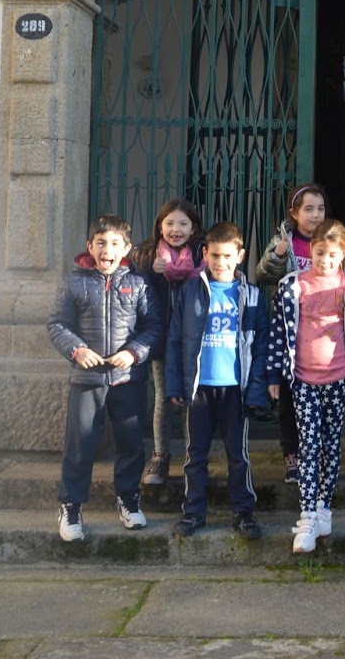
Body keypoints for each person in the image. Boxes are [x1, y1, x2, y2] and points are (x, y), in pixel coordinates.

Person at [47, 214, 160, 542]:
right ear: (90, 246)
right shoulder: (73, 283)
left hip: (128, 379)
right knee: (80, 444)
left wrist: (135, 352)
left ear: (126, 248)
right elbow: (57, 324)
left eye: (114, 243)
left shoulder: (139, 283)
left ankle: (129, 499)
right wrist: (77, 350)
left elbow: (154, 326)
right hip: (87, 381)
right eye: (100, 243)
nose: (106, 249)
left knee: (130, 443)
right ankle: (71, 506)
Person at [267, 219, 345, 554]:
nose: (325, 260)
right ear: (310, 251)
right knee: (309, 445)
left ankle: (324, 507)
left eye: (332, 254)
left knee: (331, 444)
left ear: (344, 253)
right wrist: (274, 376)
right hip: (302, 378)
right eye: (319, 253)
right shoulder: (292, 286)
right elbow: (277, 333)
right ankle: (307, 516)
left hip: (339, 378)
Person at [166, 221, 269, 540]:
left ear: (240, 256)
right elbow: (175, 341)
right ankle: (194, 512)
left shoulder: (252, 296)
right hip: (199, 389)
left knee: (238, 456)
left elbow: (261, 346)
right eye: (214, 255)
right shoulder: (190, 292)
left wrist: (256, 390)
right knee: (195, 455)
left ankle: (243, 512)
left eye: (227, 256)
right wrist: (175, 385)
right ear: (205, 254)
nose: (220, 262)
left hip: (234, 390)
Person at [254, 183, 328, 485]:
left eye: (320, 209)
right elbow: (262, 275)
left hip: (324, 332)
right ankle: (292, 454)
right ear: (294, 213)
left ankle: (317, 454)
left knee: (320, 398)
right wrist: (277, 256)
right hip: (290, 331)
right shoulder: (284, 240)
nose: (315, 215)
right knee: (289, 397)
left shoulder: (330, 238)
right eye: (308, 209)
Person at [130, 199, 205, 487]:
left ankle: (192, 458)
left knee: (191, 397)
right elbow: (137, 294)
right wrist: (152, 272)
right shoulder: (146, 255)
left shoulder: (201, 254)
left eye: (183, 223)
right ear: (160, 227)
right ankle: (160, 456)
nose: (176, 229)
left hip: (193, 340)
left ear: (193, 228)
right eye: (170, 223)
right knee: (163, 397)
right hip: (163, 341)